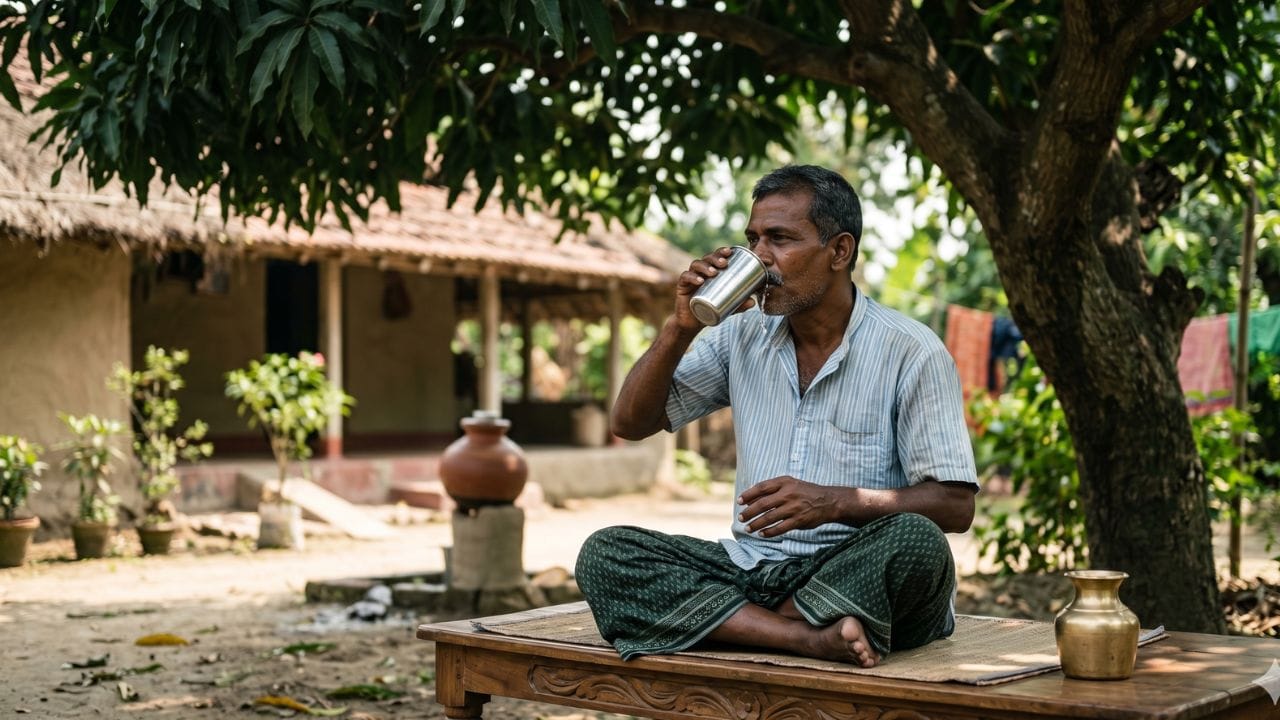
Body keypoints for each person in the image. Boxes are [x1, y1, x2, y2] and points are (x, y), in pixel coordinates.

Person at [575, 165, 978, 669]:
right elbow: (630, 422)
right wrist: (680, 328)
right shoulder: (739, 335)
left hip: (852, 568)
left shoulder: (911, 351)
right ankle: (807, 635)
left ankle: (738, 622)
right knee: (606, 553)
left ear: (839, 251)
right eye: (753, 239)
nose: (760, 257)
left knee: (920, 544)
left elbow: (956, 506)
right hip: (753, 569)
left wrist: (832, 503)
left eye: (780, 239)